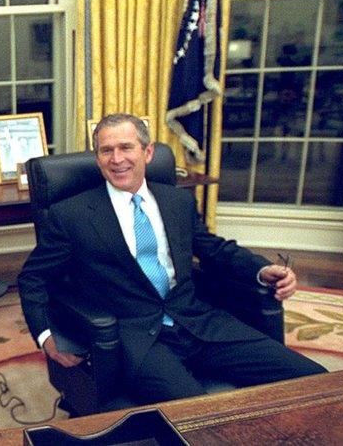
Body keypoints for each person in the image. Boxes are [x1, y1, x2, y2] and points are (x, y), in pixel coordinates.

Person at [18, 113, 324, 409]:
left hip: (198, 322)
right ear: (97, 158)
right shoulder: (71, 215)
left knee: (313, 379)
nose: (117, 159)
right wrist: (46, 336)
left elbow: (213, 249)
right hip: (137, 339)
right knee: (201, 419)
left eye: (126, 147)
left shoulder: (177, 201)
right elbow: (33, 278)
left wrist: (261, 269)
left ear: (147, 152)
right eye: (106, 150)